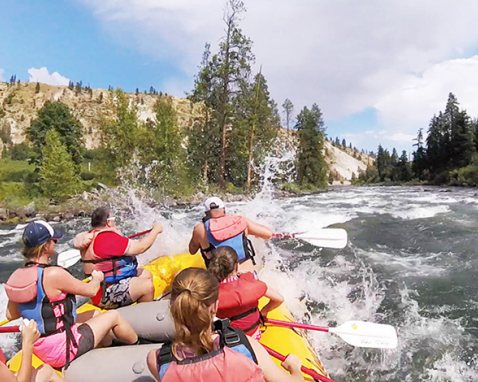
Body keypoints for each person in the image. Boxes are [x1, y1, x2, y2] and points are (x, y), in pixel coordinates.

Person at [5, 220, 138, 370]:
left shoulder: (16, 277)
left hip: (38, 347)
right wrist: (97, 278)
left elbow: (11, 314)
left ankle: (105, 348)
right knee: (114, 316)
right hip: (62, 350)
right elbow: (92, 291)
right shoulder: (54, 274)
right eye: (53, 240)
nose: (55, 243)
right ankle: (138, 347)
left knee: (94, 314)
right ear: (46, 245)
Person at [146, 267, 304, 382]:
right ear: (215, 307)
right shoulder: (245, 347)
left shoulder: (158, 360)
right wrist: (294, 367)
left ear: (174, 308)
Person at [73, 206, 163, 309]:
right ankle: (144, 317)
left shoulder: (92, 235)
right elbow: (141, 247)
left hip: (104, 286)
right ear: (108, 222)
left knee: (146, 274)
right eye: (114, 219)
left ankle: (138, 304)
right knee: (146, 286)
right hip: (105, 295)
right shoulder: (107, 239)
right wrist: (156, 231)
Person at [208, 246, 284, 339]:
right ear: (236, 266)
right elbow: (279, 299)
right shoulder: (250, 280)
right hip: (255, 334)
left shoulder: (211, 293)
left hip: (229, 340)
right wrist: (264, 312)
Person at [189, 197, 273, 270]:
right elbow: (268, 234)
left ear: (206, 213)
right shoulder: (240, 221)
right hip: (248, 275)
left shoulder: (200, 229)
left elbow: (192, 251)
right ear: (224, 209)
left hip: (219, 281)